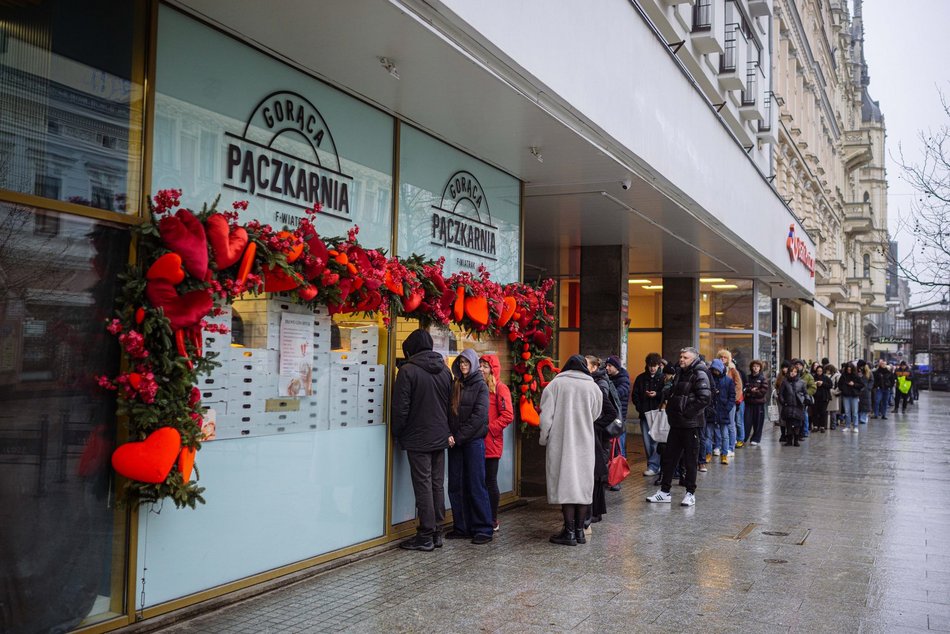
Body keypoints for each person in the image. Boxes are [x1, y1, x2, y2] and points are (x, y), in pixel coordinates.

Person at [391, 329, 453, 552]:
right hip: (440, 436)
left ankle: (425, 535)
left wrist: (397, 432)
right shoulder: (445, 371)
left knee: (423, 485)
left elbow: (400, 409)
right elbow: (450, 405)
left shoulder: (407, 371)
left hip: (418, 437)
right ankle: (437, 531)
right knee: (436, 484)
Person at [539, 355, 603, 546]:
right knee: (582, 486)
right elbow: (596, 413)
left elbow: (546, 417)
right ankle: (580, 532)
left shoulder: (555, 385)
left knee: (566, 485)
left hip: (562, 442)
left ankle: (568, 532)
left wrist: (544, 438)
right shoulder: (592, 386)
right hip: (585, 442)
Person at [646, 347, 711, 507]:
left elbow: (704, 398)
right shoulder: (680, 372)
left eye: (685, 357)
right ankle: (664, 492)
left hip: (690, 425)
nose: (681, 359)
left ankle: (690, 493)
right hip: (676, 423)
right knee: (669, 458)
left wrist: (687, 413)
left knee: (690, 460)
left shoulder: (699, 373)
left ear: (693, 359)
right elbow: (676, 392)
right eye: (681, 356)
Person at [445, 348, 493, 545]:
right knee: (456, 485)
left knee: (476, 484)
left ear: (473, 364)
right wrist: (449, 434)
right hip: (455, 442)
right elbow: (448, 412)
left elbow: (479, 417)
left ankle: (483, 528)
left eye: (466, 362)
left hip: (472, 442)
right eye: (461, 362)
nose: (463, 366)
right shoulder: (456, 384)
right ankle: (462, 527)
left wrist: (457, 437)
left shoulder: (481, 386)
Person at [479, 354, 514, 532]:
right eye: (480, 365)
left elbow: (508, 415)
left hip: (491, 442)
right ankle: (481, 517)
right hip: (477, 441)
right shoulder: (480, 387)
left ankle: (493, 519)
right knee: (479, 482)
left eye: (485, 366)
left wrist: (489, 429)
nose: (481, 369)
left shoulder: (500, 388)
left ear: (493, 370)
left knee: (490, 481)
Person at [587, 356, 618, 524]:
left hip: (599, 437)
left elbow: (609, 411)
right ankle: (593, 511)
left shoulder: (599, 384)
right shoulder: (592, 381)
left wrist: (596, 426)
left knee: (597, 473)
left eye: (586, 364)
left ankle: (595, 511)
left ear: (594, 367)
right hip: (595, 435)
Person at [631, 353, 664, 477]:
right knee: (647, 442)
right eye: (650, 365)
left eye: (654, 365)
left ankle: (653, 466)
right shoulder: (641, 378)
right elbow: (635, 395)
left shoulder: (663, 378)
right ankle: (653, 465)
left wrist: (657, 394)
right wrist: (640, 408)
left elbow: (667, 394)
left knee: (656, 441)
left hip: (658, 415)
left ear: (659, 365)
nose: (652, 368)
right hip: (644, 414)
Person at [604, 355, 631, 488]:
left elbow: (618, 394)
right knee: (609, 449)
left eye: (610, 366)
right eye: (606, 365)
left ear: (616, 367)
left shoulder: (624, 380)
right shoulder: (608, 378)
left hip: (618, 421)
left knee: (619, 449)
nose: (607, 368)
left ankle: (617, 479)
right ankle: (609, 477)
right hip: (609, 418)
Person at [709, 358, 735, 465]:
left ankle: (724, 454)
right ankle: (708, 453)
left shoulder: (728, 380)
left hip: (723, 410)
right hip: (711, 410)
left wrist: (727, 408)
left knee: (725, 434)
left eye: (717, 370)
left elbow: (732, 396)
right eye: (714, 369)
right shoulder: (709, 379)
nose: (716, 372)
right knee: (708, 435)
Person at [716, 349, 743, 452]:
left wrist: (733, 399)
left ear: (728, 359)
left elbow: (739, 386)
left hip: (730, 402)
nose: (722, 359)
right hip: (719, 402)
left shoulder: (732, 370)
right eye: (721, 357)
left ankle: (731, 448)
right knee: (718, 424)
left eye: (725, 357)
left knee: (731, 425)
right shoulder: (716, 369)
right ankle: (719, 446)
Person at [778, 365, 808, 446]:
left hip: (798, 406)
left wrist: (805, 401)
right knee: (789, 423)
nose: (793, 373)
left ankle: (796, 440)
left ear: (797, 373)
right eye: (791, 371)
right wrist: (783, 402)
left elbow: (805, 393)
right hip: (788, 405)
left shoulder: (802, 382)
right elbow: (781, 394)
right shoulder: (785, 382)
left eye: (795, 372)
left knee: (798, 423)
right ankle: (789, 440)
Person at [743, 360, 770, 445]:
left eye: (757, 366)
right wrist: (752, 390)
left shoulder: (763, 379)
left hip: (759, 404)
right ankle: (743, 438)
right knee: (746, 422)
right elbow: (745, 389)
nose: (755, 368)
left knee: (758, 422)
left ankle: (756, 439)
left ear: (760, 368)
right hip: (748, 404)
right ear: (751, 367)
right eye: (754, 366)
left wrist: (752, 392)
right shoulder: (747, 377)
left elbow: (762, 392)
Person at [792, 359, 816, 438]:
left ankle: (805, 431)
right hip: (793, 398)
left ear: (803, 366)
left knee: (804, 414)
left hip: (803, 399)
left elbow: (813, 387)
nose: (798, 366)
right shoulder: (792, 374)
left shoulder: (808, 376)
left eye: (800, 365)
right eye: (796, 364)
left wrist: (805, 394)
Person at [838, 362, 863, 433]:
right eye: (848, 369)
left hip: (854, 396)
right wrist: (844, 389)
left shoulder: (856, 376)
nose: (849, 371)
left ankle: (855, 426)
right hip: (846, 395)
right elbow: (839, 384)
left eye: (850, 369)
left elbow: (861, 385)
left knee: (854, 412)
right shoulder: (843, 376)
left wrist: (854, 384)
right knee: (847, 412)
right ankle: (847, 426)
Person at [811, 364, 831, 432]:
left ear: (822, 371)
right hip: (815, 397)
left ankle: (822, 426)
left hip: (824, 397)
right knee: (815, 412)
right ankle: (815, 426)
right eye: (818, 371)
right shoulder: (813, 377)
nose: (819, 372)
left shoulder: (826, 377)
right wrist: (815, 383)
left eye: (820, 371)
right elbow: (810, 385)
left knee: (823, 412)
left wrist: (822, 383)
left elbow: (830, 385)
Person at [857, 360, 872, 427]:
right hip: (858, 390)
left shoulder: (869, 372)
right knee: (858, 405)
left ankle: (863, 419)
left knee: (865, 405)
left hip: (866, 391)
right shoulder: (857, 372)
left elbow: (871, 381)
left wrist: (868, 388)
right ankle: (859, 418)